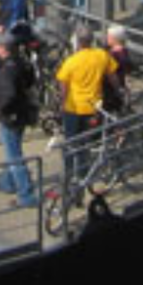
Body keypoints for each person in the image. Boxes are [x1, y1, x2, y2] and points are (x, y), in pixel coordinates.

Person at [55, 28, 117, 186]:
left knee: (70, 142)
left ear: (77, 42)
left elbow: (63, 85)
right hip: (93, 108)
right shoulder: (101, 55)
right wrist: (119, 90)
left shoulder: (71, 61)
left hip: (73, 108)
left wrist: (61, 104)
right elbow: (112, 76)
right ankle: (84, 174)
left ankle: (69, 175)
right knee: (85, 143)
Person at [0, 32, 38, 205]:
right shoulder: (22, 62)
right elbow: (31, 81)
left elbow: (8, 95)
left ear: (3, 49)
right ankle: (7, 183)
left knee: (14, 156)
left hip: (11, 117)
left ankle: (26, 195)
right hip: (23, 113)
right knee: (13, 148)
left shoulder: (7, 70)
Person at [103, 25, 136, 115]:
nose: (106, 38)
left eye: (108, 36)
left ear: (115, 39)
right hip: (117, 84)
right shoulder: (122, 51)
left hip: (112, 87)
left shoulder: (115, 55)